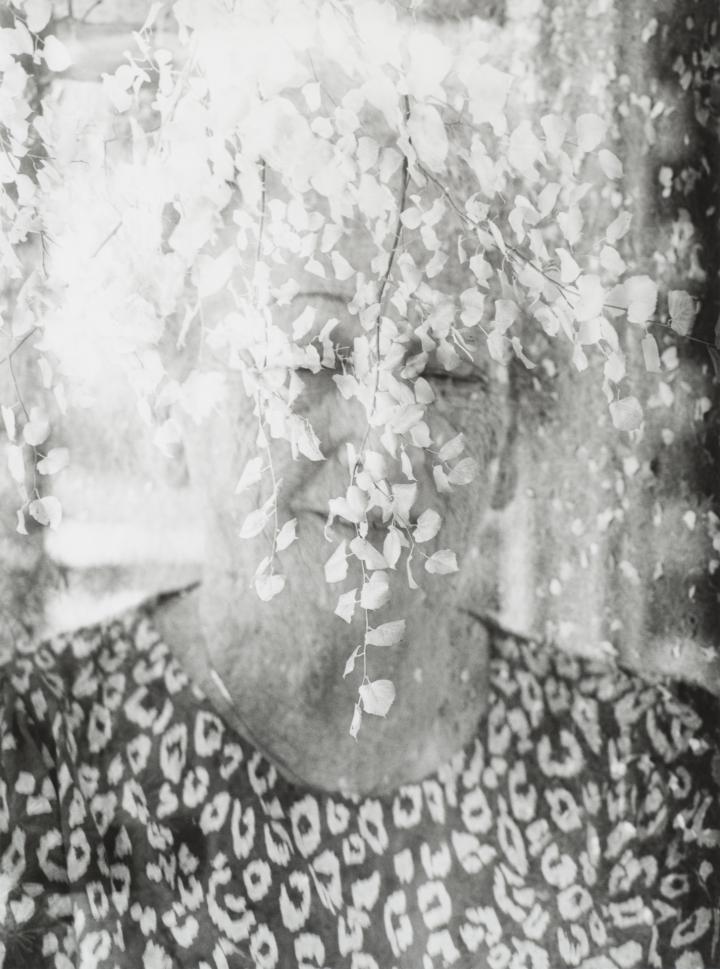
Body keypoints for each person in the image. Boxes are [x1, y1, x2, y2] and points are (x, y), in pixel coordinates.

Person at [2, 5, 720, 969]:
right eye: (313, 354)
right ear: (180, 401)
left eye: (448, 370)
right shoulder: (31, 769)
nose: (386, 441)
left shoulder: (657, 783)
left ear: (510, 444)